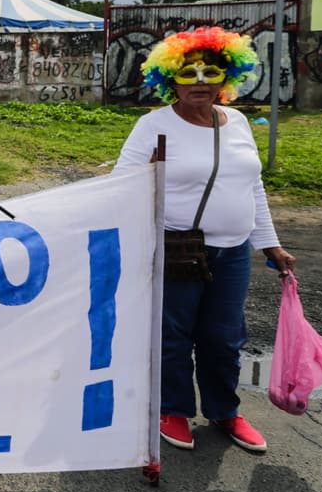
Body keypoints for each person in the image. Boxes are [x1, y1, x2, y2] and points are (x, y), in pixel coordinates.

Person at [115, 27, 296, 453]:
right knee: (174, 335)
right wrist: (146, 178)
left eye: (210, 72)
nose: (199, 81)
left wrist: (269, 243)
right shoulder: (152, 125)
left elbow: (252, 187)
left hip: (232, 252)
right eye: (187, 72)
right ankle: (173, 409)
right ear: (169, 78)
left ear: (226, 77)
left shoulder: (236, 123)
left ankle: (224, 411)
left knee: (225, 336)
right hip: (176, 248)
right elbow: (120, 186)